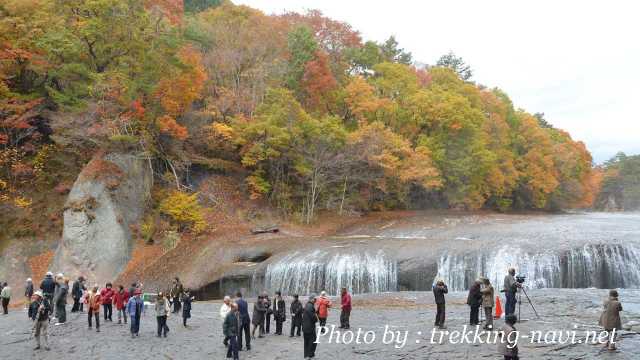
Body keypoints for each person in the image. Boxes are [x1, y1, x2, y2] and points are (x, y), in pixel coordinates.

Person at [303, 295, 319, 359]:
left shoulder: (307, 305)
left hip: (305, 326)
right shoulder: (310, 306)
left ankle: (306, 355)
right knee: (313, 341)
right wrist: (316, 319)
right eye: (314, 299)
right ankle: (310, 355)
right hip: (310, 327)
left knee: (306, 341)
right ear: (311, 299)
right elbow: (313, 317)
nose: (315, 300)